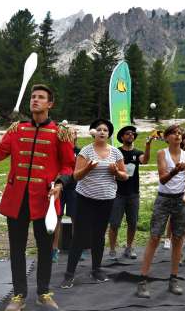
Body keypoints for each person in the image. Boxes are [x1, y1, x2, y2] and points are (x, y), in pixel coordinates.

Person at [0, 84, 75, 311]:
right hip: (16, 200)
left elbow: (69, 166)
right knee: (16, 249)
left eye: (40, 97)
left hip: (45, 200)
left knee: (46, 249)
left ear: (50, 104)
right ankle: (18, 295)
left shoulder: (61, 133)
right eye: (33, 97)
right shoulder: (17, 129)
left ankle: (43, 293)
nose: (35, 100)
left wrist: (60, 184)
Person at [60, 119, 128, 288]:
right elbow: (76, 176)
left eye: (105, 130)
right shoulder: (86, 151)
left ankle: (96, 269)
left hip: (106, 200)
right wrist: (88, 169)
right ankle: (69, 274)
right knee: (79, 237)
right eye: (99, 129)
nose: (102, 132)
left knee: (99, 236)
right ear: (94, 133)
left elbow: (124, 176)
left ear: (109, 134)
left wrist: (116, 171)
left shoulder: (116, 153)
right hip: (85, 199)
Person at [136, 124, 185, 298]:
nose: (177, 135)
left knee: (178, 238)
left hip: (180, 200)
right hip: (163, 199)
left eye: (179, 133)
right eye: (173, 133)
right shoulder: (162, 153)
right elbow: (163, 179)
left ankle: (173, 279)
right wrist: (175, 170)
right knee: (154, 237)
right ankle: (143, 281)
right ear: (167, 137)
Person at [108, 125, 155, 260]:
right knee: (115, 223)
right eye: (127, 134)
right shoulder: (116, 152)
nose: (131, 135)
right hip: (117, 193)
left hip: (133, 193)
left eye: (132, 134)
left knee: (132, 223)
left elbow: (145, 160)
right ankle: (112, 249)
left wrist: (148, 144)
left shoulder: (137, 152)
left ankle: (129, 248)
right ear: (122, 137)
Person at [51, 128, 81, 263]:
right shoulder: (59, 149)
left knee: (76, 218)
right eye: (69, 132)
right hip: (60, 187)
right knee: (56, 218)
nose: (71, 134)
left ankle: (76, 249)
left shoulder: (80, 152)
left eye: (74, 133)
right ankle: (54, 249)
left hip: (74, 188)